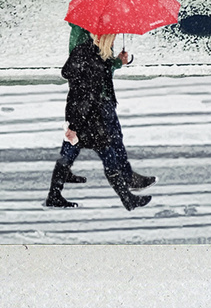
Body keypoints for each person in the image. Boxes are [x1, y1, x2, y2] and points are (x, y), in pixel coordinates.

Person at [45, 31, 155, 210]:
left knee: (71, 152)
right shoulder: (91, 58)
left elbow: (76, 81)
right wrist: (73, 125)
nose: (114, 42)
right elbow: (80, 97)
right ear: (104, 40)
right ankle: (127, 198)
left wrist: (116, 61)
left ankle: (54, 194)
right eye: (112, 39)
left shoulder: (95, 56)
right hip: (91, 118)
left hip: (90, 115)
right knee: (108, 154)